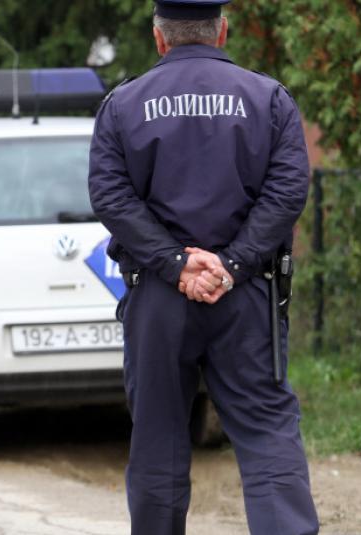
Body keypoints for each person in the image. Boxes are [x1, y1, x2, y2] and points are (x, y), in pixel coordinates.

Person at [88, 1, 319, 533]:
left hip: (158, 298)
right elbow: (287, 192)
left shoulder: (123, 104)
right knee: (266, 430)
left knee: (158, 438)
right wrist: (233, 263)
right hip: (247, 296)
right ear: (222, 31)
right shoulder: (269, 99)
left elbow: (110, 197)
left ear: (159, 37)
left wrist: (177, 265)